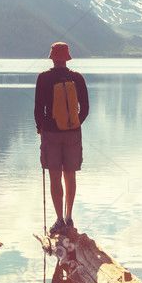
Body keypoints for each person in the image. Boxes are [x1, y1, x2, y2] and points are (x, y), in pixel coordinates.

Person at [35, 42, 89, 234]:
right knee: (70, 175)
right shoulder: (77, 78)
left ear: (52, 57)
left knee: (55, 176)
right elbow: (86, 108)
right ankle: (69, 217)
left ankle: (58, 220)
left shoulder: (43, 78)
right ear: (67, 58)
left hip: (51, 133)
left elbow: (38, 109)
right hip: (72, 133)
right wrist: (74, 124)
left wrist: (41, 128)